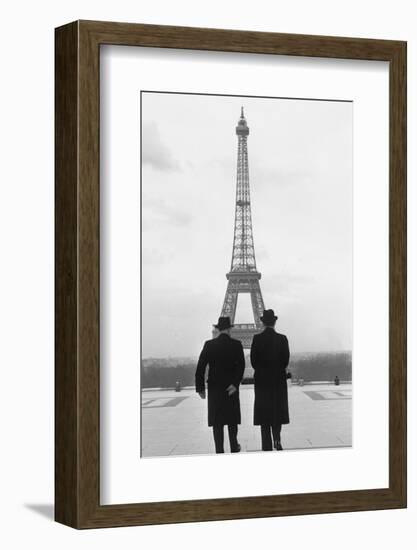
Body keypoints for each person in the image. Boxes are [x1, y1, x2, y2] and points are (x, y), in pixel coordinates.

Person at [195, 317, 245, 454]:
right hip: (231, 389)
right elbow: (241, 367)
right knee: (232, 420)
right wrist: (235, 384)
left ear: (217, 329)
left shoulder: (209, 345)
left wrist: (200, 388)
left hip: (215, 389)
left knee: (217, 422)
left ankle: (219, 450)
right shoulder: (237, 344)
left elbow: (200, 367)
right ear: (229, 329)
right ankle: (234, 446)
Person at [250, 309, 290, 451]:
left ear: (262, 322)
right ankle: (277, 439)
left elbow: (253, 361)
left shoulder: (256, 339)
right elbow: (285, 361)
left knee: (264, 414)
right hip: (278, 381)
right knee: (277, 412)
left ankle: (266, 444)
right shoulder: (282, 338)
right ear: (275, 321)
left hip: (262, 382)